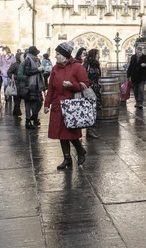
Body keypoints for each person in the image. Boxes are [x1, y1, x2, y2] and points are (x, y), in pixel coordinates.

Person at [44, 42, 89, 170]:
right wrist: (47, 104)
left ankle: (80, 150)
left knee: (71, 132)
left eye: (58, 54)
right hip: (58, 105)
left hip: (72, 105)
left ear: (65, 55)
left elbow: (86, 85)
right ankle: (67, 158)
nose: (56, 56)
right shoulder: (55, 69)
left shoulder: (77, 67)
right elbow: (51, 88)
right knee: (60, 133)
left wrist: (72, 85)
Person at [20, 46, 45, 129]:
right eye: (36, 52)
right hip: (30, 84)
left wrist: (42, 70)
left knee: (40, 102)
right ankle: (28, 121)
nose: (37, 54)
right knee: (29, 104)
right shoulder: (28, 59)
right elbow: (27, 72)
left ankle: (34, 116)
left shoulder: (37, 59)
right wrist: (37, 70)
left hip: (37, 84)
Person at [83, 49, 101, 139]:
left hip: (96, 89)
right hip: (89, 89)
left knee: (95, 109)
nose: (99, 56)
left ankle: (91, 129)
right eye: (98, 54)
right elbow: (82, 76)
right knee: (90, 109)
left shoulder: (97, 65)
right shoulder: (87, 64)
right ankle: (89, 130)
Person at [8, 52, 24, 117]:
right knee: (17, 98)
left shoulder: (24, 64)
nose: (23, 58)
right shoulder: (15, 65)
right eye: (22, 56)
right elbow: (9, 72)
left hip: (22, 84)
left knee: (19, 98)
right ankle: (16, 110)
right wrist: (15, 77)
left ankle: (17, 110)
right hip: (16, 83)